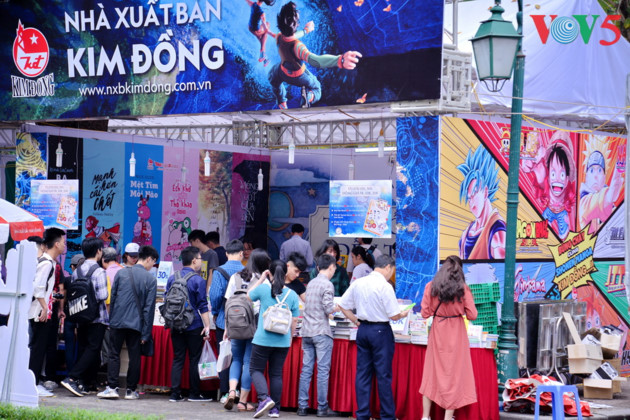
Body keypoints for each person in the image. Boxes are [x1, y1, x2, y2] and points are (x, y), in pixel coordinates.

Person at [338, 255, 410, 420]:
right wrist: (403, 313)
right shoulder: (385, 286)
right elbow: (394, 315)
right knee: (383, 375)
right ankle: (387, 416)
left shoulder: (359, 282)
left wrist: (356, 321)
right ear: (388, 267)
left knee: (363, 374)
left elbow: (342, 305)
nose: (391, 274)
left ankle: (362, 414)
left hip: (363, 329)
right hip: (380, 331)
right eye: (392, 271)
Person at [268, 1, 361, 109]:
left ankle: (281, 102)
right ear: (297, 24)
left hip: (282, 72)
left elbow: (289, 37)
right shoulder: (297, 46)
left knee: (272, 77)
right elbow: (315, 61)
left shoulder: (279, 37)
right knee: (317, 88)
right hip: (299, 77)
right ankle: (308, 97)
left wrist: (305, 31)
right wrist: (340, 60)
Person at [420, 256, 478, 420]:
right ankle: (447, 417)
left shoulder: (431, 286)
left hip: (438, 331)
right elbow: (473, 315)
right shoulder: (463, 289)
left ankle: (425, 416)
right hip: (456, 333)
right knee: (454, 375)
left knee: (430, 374)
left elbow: (424, 313)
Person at [98, 245, 159, 400]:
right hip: (136, 324)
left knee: (114, 354)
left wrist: (112, 320)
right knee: (135, 356)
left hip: (117, 321)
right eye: (153, 262)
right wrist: (146, 333)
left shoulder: (121, 273)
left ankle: (112, 388)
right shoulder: (151, 279)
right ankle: (131, 390)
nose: (153, 266)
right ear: (149, 259)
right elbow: (149, 309)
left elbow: (113, 298)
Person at [248, 260, 300, 418]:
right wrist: (290, 337)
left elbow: (248, 296)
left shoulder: (264, 289)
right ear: (285, 273)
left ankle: (264, 398)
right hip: (282, 341)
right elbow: (295, 320)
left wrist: (261, 279)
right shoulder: (292, 294)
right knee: (276, 374)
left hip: (263, 339)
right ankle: (275, 409)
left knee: (255, 369)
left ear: (269, 272)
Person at [223, 249, 271, 412]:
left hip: (235, 322)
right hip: (253, 325)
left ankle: (231, 392)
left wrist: (227, 326)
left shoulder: (235, 277)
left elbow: (228, 302)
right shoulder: (263, 281)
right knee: (248, 362)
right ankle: (242, 402)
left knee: (236, 359)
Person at [61, 238, 109, 397]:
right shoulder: (99, 271)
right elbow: (103, 295)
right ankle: (72, 378)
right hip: (97, 318)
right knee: (93, 348)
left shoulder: (77, 271)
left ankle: (85, 383)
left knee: (84, 348)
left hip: (80, 316)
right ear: (99, 251)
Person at [166, 246, 212, 402]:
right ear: (194, 260)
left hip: (175, 323)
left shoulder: (172, 278)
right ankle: (194, 393)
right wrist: (207, 326)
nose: (201, 261)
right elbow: (203, 306)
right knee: (194, 359)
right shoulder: (198, 280)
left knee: (178, 358)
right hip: (194, 325)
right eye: (200, 258)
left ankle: (175, 394)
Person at [298, 253, 339, 417]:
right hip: (321, 332)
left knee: (306, 370)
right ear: (331, 267)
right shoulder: (328, 285)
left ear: (317, 267)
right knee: (322, 371)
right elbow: (329, 308)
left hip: (307, 332)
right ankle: (322, 407)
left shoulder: (311, 283)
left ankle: (302, 406)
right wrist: (340, 307)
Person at [28, 229, 66, 397]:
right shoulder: (47, 263)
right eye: (63, 242)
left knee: (39, 349)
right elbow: (38, 287)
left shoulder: (49, 262)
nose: (64, 245)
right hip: (39, 312)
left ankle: (34, 382)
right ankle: (32, 384)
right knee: (37, 350)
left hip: (42, 311)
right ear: (56, 244)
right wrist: (44, 307)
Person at [209, 239, 246, 404]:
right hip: (244, 322)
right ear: (241, 253)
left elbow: (215, 295)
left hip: (224, 321)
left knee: (225, 356)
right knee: (241, 358)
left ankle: (225, 392)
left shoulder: (219, 271)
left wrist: (216, 312)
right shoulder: (248, 272)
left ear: (226, 253)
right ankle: (240, 392)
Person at [456, 145, 506, 260]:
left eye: (474, 193)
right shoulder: (466, 234)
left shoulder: (497, 231)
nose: (471, 203)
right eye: (469, 198)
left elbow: (502, 269)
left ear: (485, 191)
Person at [579, 135, 624, 233]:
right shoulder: (584, 203)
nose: (595, 175)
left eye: (599, 170)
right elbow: (603, 200)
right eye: (592, 170)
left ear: (604, 177)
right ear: (586, 176)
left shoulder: (609, 203)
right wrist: (611, 193)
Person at [63, 253, 85, 374]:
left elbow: (64, 298)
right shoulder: (86, 280)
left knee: (69, 347)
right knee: (82, 346)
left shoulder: (68, 280)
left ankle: (70, 372)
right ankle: (78, 374)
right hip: (83, 316)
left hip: (69, 315)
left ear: (72, 266)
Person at [245, 0, 276, 66]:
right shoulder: (262, 13)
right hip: (256, 30)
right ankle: (262, 53)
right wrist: (274, 35)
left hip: (250, 28)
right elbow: (266, 29)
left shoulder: (253, 4)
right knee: (267, 25)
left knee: (261, 39)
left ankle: (264, 58)